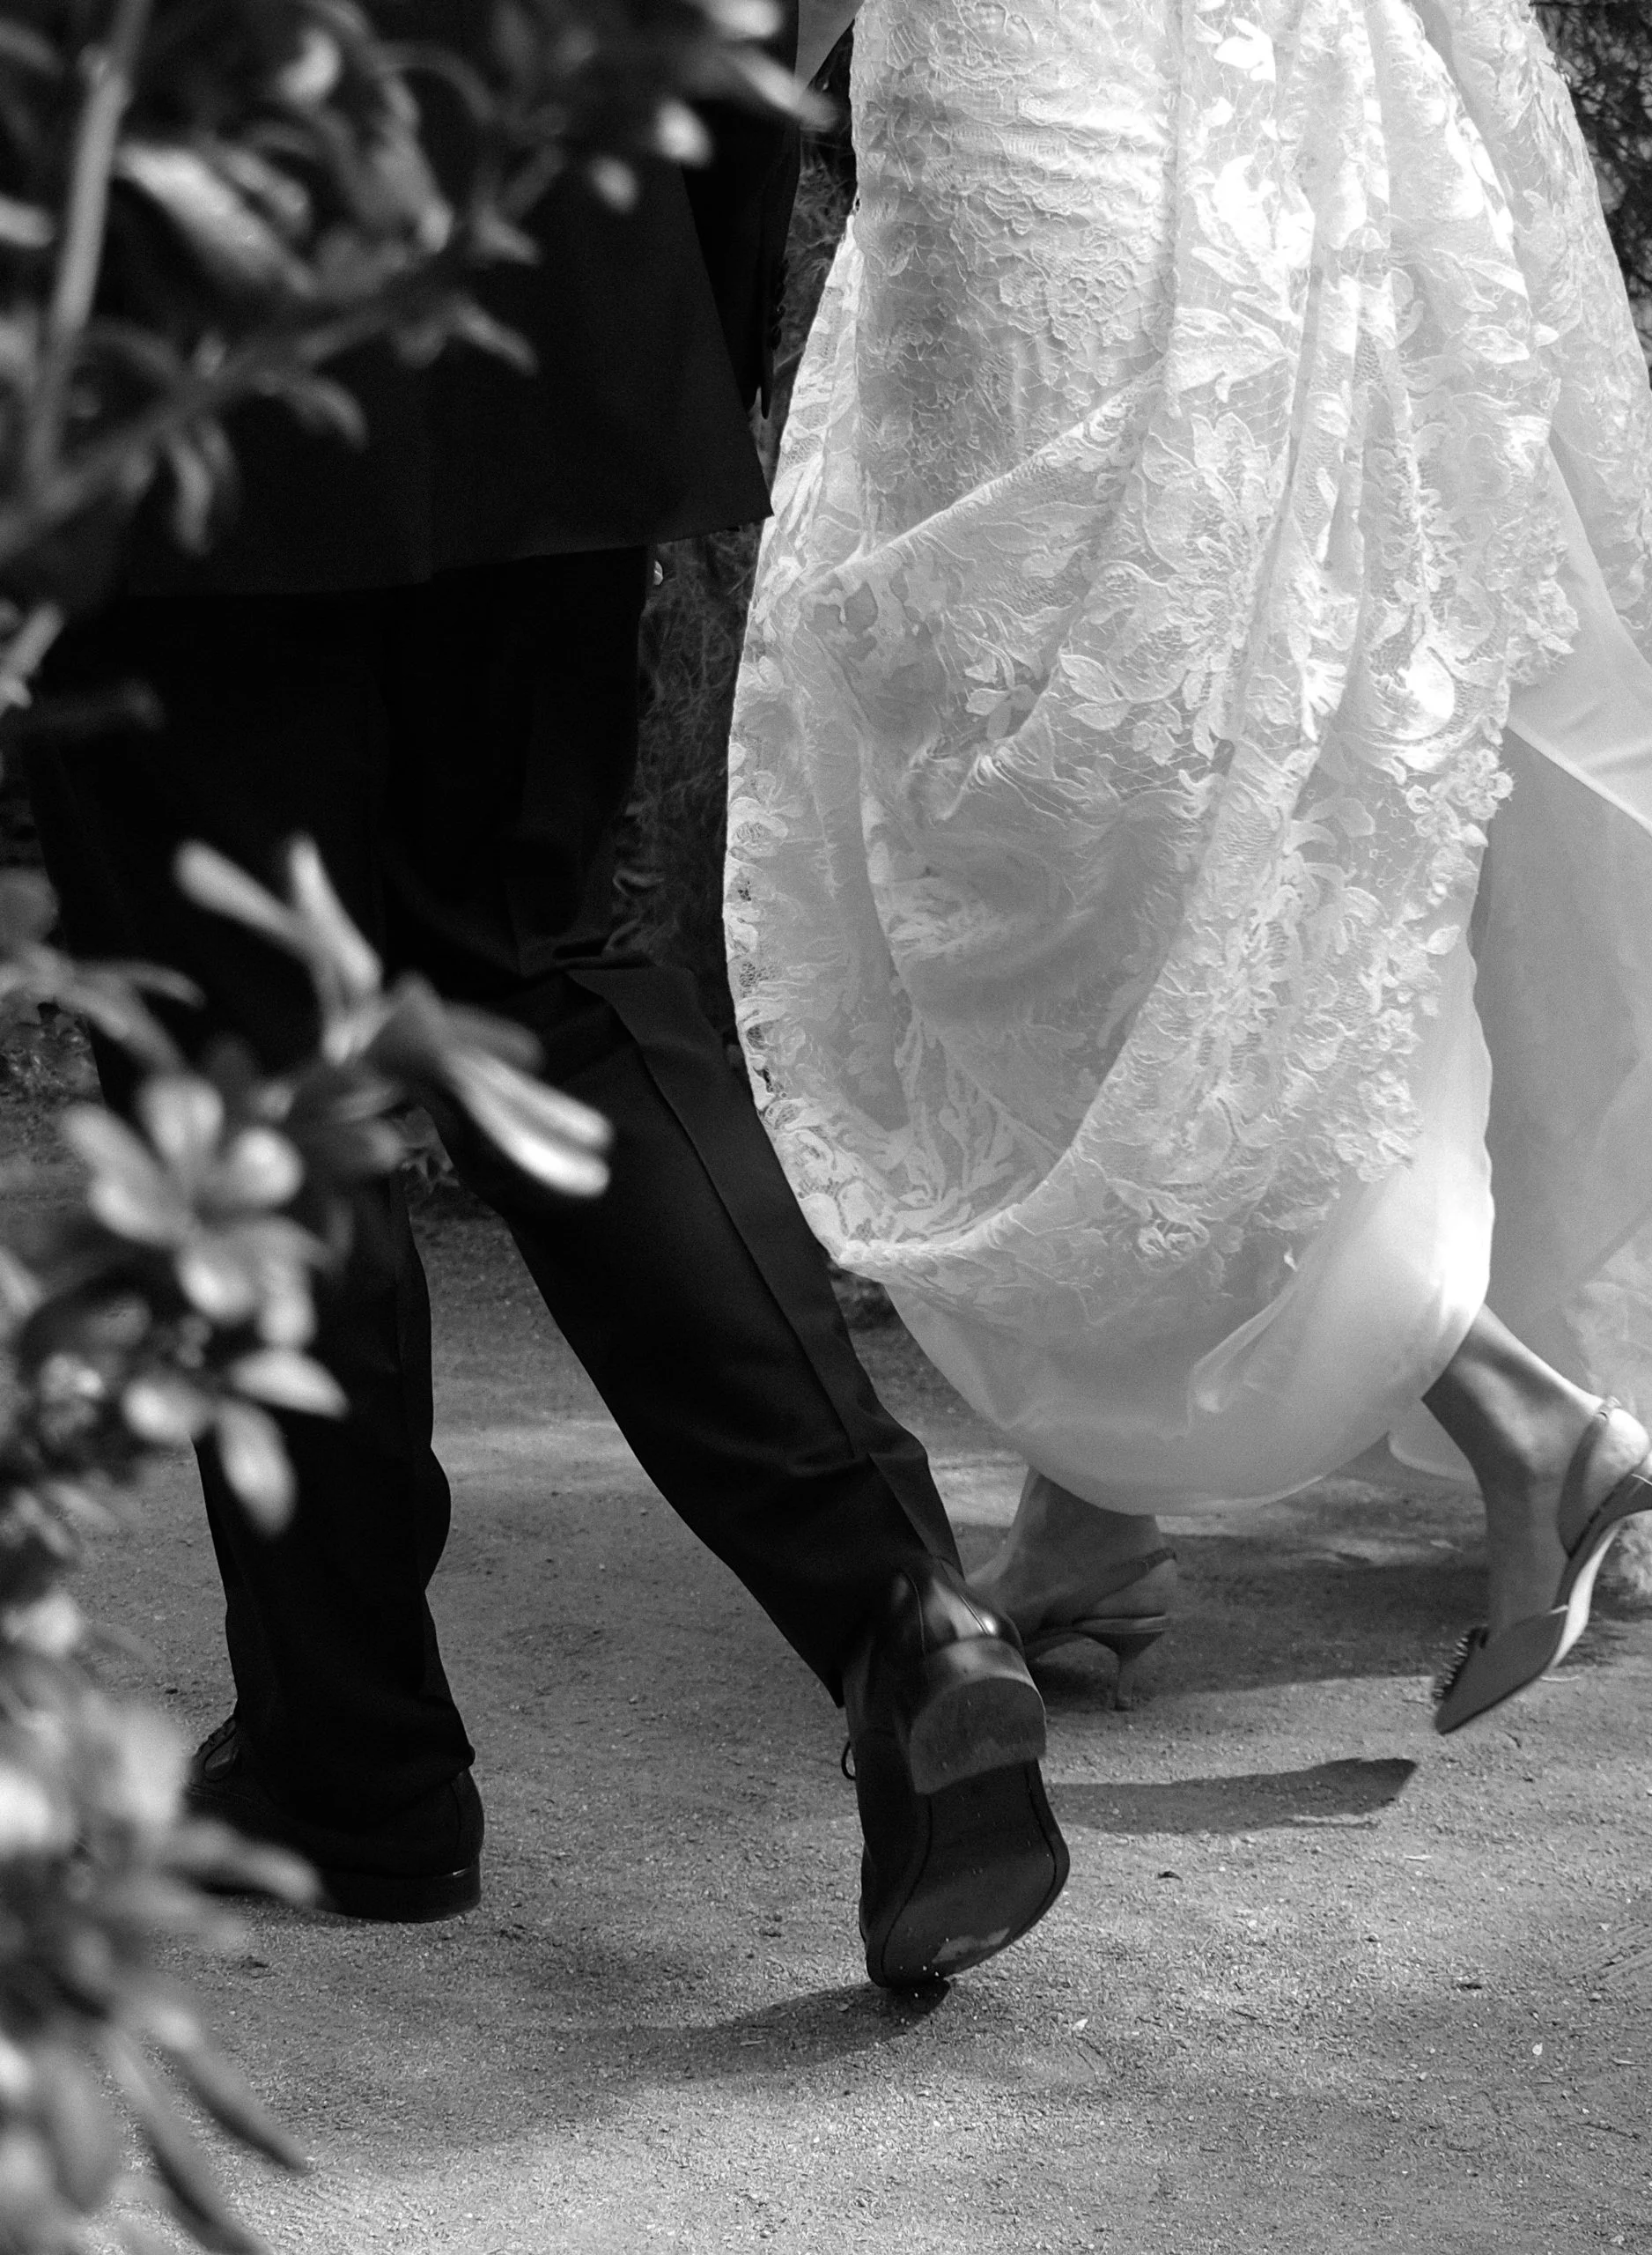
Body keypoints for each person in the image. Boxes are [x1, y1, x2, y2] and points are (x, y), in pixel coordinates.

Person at [20, 4, 1069, 1991]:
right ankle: (904, 1614)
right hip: (554, 274)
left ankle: (353, 1765)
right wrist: (667, 321)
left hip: (172, 299)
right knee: (538, 968)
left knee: (250, 1047)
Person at [726, 0, 1652, 1730]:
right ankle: (1090, 1508)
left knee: (1104, 787)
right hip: (1133, 90)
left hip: (1069, 97)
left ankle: (1531, 1424)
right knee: (1132, 791)